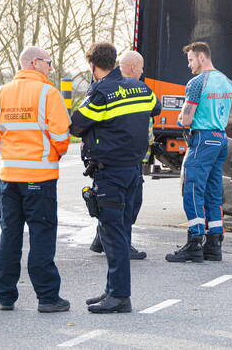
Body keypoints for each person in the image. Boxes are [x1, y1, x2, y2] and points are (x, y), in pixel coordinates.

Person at [70, 42, 159, 313]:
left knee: (112, 234)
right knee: (121, 229)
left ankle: (119, 296)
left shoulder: (101, 93)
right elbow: (154, 109)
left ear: (93, 66)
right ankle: (112, 289)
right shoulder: (142, 88)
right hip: (133, 170)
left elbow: (76, 124)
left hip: (110, 172)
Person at [0, 46, 71, 313]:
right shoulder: (48, 93)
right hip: (39, 177)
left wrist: (8, 149)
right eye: (48, 62)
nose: (50, 67)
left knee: (10, 236)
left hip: (8, 177)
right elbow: (61, 137)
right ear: (35, 63)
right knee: (42, 236)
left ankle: (5, 296)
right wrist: (51, 153)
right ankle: (47, 298)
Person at [166, 41, 232, 263]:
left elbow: (187, 118)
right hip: (221, 139)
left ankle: (195, 243)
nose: (189, 65)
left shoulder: (197, 83)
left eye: (190, 60)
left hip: (203, 139)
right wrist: (216, 120)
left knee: (193, 189)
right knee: (213, 192)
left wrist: (181, 118)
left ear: (201, 57)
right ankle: (214, 244)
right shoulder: (228, 83)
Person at [87, 50, 156, 260]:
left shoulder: (115, 87)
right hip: (121, 160)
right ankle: (119, 244)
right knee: (125, 204)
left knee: (121, 204)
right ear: (134, 68)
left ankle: (104, 239)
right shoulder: (118, 89)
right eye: (142, 68)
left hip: (126, 158)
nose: (143, 72)